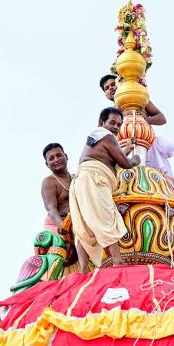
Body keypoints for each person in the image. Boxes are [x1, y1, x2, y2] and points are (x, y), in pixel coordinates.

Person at [69, 107, 140, 272]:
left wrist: (126, 150)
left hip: (82, 181)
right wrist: (136, 159)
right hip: (94, 179)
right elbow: (125, 164)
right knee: (105, 217)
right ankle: (118, 261)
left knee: (84, 226)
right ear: (101, 123)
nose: (116, 127)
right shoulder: (107, 136)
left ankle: (84, 270)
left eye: (119, 124)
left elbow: (109, 159)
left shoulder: (99, 137)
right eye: (112, 122)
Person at [99, 74, 174, 178]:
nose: (111, 88)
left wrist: (146, 119)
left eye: (113, 84)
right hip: (123, 148)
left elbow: (162, 118)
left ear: (120, 83)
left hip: (146, 145)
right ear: (105, 94)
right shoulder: (111, 113)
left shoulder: (139, 98)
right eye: (107, 88)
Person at [41, 143, 72, 234]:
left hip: (79, 222)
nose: (56, 160)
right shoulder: (49, 182)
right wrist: (63, 227)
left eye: (59, 155)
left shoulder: (75, 178)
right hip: (60, 224)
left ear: (65, 156)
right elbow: (51, 209)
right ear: (47, 164)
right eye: (51, 158)